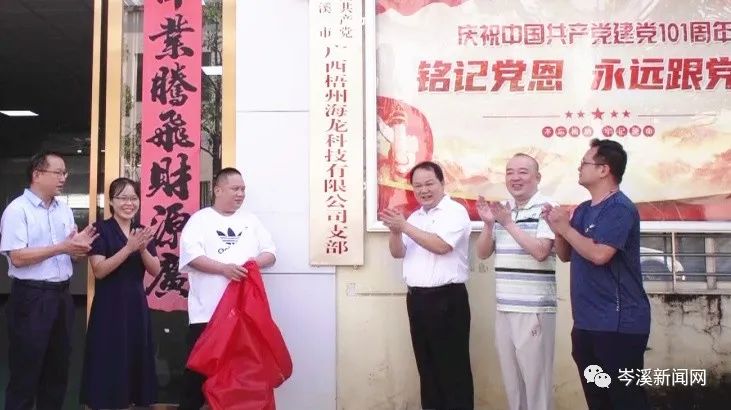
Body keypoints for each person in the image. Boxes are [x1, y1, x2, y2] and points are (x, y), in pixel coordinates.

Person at [543, 139, 651, 410]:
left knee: (625, 401)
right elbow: (566, 255)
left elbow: (600, 254)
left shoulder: (620, 208)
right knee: (598, 401)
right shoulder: (582, 210)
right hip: (586, 323)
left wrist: (565, 228)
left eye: (585, 163)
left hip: (619, 325)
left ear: (604, 170)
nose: (579, 168)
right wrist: (558, 229)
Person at [0, 151, 97, 410]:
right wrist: (62, 247)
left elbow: (69, 255)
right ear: (37, 174)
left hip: (62, 296)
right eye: (58, 172)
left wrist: (78, 249)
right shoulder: (17, 210)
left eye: (65, 173)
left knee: (57, 370)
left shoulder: (63, 209)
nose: (63, 178)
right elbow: (17, 257)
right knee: (26, 371)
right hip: (31, 297)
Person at [178, 167, 277, 410]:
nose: (240, 194)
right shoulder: (200, 220)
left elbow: (270, 254)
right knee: (197, 378)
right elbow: (192, 257)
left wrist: (251, 265)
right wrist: (224, 269)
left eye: (243, 189)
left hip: (243, 317)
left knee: (240, 379)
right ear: (218, 190)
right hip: (207, 315)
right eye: (235, 189)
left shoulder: (250, 221)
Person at [380, 160, 474, 410]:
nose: (423, 190)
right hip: (417, 300)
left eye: (429, 184)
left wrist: (404, 226)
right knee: (427, 368)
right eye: (418, 186)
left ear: (442, 183)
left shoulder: (455, 212)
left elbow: (441, 246)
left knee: (452, 370)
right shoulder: (416, 217)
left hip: (447, 300)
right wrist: (395, 232)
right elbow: (398, 253)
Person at [474, 153, 557, 410]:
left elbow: (541, 251)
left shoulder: (547, 208)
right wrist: (489, 225)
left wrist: (508, 223)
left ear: (537, 177)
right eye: (510, 172)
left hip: (533, 308)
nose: (515, 178)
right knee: (513, 384)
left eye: (522, 172)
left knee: (536, 383)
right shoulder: (503, 209)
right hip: (505, 306)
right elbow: (482, 253)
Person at [80, 177, 161, 409]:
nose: (129, 203)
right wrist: (128, 249)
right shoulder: (100, 230)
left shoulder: (141, 231)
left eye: (133, 198)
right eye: (123, 198)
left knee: (134, 353)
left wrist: (142, 249)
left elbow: (155, 270)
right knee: (109, 354)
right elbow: (99, 270)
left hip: (136, 303)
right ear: (111, 202)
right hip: (109, 304)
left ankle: (131, 401)